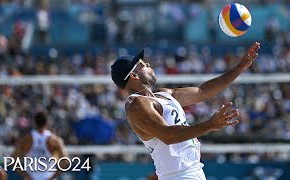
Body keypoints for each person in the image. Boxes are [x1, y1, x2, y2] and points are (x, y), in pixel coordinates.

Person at [110, 42, 260, 179]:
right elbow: (168, 136)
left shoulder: (162, 94)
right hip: (178, 176)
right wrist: (210, 125)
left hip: (193, 171)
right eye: (142, 64)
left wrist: (241, 66)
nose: (148, 64)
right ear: (134, 75)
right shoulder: (136, 104)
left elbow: (203, 90)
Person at [12, 111, 69, 180]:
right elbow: (65, 162)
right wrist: (52, 177)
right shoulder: (54, 140)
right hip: (48, 176)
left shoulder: (27, 140)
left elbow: (13, 160)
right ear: (46, 122)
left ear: (34, 122)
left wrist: (26, 175)